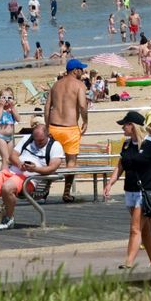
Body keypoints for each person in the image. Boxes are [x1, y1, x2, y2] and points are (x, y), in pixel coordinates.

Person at [103, 111, 151, 269]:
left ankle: (129, 261)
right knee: (143, 230)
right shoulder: (127, 144)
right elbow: (120, 166)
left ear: (132, 126)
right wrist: (110, 183)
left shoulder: (150, 143)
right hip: (130, 191)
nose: (123, 128)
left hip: (145, 191)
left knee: (135, 228)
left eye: (125, 125)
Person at [45, 59, 90, 203]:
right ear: (75, 70)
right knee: (71, 161)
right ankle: (66, 192)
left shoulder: (56, 85)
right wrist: (85, 121)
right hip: (70, 128)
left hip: (54, 126)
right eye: (81, 69)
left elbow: (47, 107)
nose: (83, 72)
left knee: (50, 160)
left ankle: (45, 190)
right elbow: (82, 106)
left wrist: (47, 125)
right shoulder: (79, 85)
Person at [0, 89, 19, 170]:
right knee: (5, 159)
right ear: (0, 98)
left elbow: (18, 119)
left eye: (9, 97)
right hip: (0, 136)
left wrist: (13, 107)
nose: (6, 100)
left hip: (10, 138)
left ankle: (6, 174)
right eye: (4, 97)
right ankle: (3, 177)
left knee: (10, 159)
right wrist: (1, 107)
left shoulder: (12, 109)